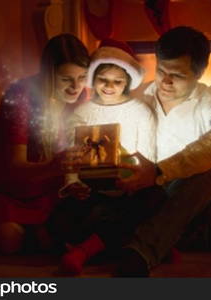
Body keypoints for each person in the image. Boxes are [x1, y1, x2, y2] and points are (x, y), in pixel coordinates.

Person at [116, 26, 211, 276]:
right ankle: (197, 239)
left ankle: (143, 250)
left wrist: (161, 171)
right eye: (161, 70)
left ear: (200, 73)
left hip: (198, 200)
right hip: (150, 196)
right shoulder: (137, 97)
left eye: (178, 75)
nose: (166, 81)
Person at [0, 34, 91, 254]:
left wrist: (74, 182)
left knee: (68, 233)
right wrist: (54, 167)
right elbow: (14, 167)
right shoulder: (21, 98)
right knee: (9, 240)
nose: (76, 87)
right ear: (48, 75)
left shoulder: (82, 99)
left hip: (47, 193)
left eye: (82, 77)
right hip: (4, 191)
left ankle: (40, 233)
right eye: (66, 79)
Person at [59, 39, 163, 275]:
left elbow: (148, 158)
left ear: (127, 82)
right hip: (92, 190)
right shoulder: (81, 113)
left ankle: (85, 250)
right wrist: (73, 183)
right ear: (93, 79)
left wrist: (135, 181)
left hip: (130, 190)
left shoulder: (140, 112)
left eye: (117, 81)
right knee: (65, 218)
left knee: (153, 201)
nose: (109, 86)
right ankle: (137, 245)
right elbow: (71, 158)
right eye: (103, 79)